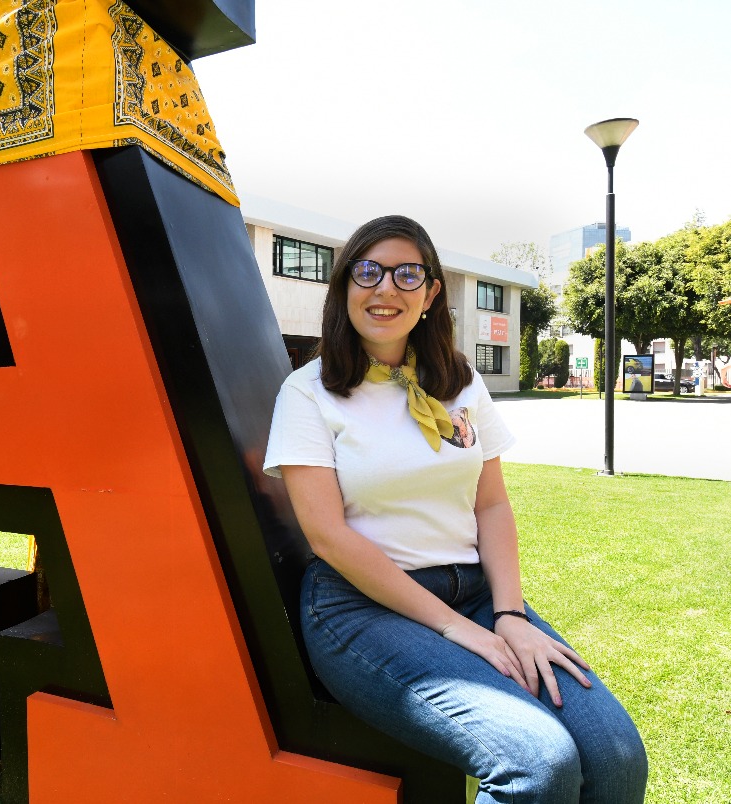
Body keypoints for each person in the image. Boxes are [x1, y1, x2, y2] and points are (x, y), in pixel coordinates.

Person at [263, 216, 646, 803]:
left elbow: (491, 505)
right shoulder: (309, 393)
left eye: (406, 274)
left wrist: (510, 615)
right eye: (367, 272)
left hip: (471, 592)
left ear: (431, 292)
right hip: (361, 608)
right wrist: (457, 629)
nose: (385, 289)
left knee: (615, 755)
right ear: (343, 286)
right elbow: (329, 537)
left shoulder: (461, 384)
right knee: (538, 764)